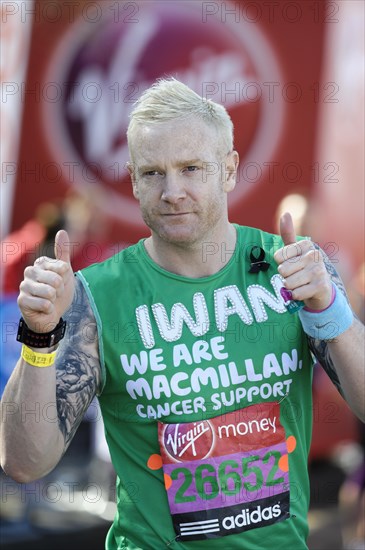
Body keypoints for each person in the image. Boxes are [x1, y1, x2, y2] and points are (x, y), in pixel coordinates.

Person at [1, 78, 364, 550]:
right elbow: (24, 463)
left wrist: (330, 311)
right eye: (152, 173)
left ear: (229, 170)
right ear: (132, 180)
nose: (172, 191)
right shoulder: (98, 295)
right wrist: (40, 338)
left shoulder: (290, 269)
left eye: (192, 168)